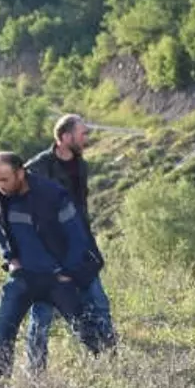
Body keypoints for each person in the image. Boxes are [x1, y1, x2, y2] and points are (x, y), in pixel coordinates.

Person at [0, 152, 106, 377]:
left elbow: (77, 236)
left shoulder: (53, 195)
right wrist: (10, 259)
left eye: (4, 179)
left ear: (20, 173)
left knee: (86, 332)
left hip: (56, 278)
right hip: (23, 277)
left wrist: (67, 273)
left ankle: (111, 374)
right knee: (2, 332)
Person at [26, 114, 115, 369]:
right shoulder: (37, 168)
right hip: (48, 253)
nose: (87, 138)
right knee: (42, 314)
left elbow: (81, 208)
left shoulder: (81, 165)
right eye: (82, 134)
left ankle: (109, 361)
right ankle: (35, 372)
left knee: (99, 303)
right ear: (65, 137)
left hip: (80, 249)